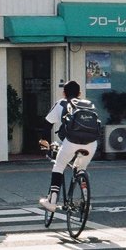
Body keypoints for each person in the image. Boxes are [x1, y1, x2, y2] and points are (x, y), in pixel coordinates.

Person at [38, 80, 99, 212]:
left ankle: (52, 202)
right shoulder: (88, 105)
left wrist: (44, 140)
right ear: (80, 93)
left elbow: (47, 123)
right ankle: (86, 201)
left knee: (59, 166)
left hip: (71, 142)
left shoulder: (62, 103)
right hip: (91, 143)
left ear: (64, 93)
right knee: (81, 168)